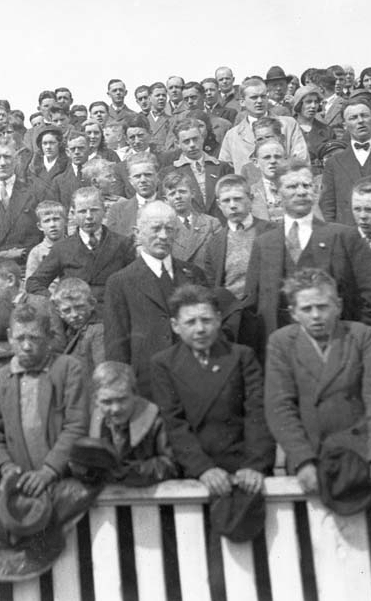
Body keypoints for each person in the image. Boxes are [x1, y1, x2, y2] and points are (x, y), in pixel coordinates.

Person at [264, 269, 371, 494]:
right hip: (311, 460)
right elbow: (279, 407)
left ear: (338, 306)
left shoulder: (361, 335)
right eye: (306, 309)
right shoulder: (281, 342)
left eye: (323, 306)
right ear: (293, 313)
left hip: (360, 458)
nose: (316, 315)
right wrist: (302, 460)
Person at [151, 285, 273, 496]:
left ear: (218, 319)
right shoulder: (163, 364)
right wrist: (203, 468)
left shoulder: (242, 356)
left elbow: (257, 414)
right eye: (190, 322)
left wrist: (254, 465)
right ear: (175, 326)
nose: (200, 329)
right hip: (193, 472)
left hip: (244, 470)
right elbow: (173, 423)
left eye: (206, 320)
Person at [244, 159, 371, 347]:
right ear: (277, 192)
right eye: (292, 186)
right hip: (280, 349)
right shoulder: (264, 243)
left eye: (306, 185)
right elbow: (252, 305)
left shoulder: (344, 236)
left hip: (338, 346)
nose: (301, 192)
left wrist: (355, 342)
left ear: (315, 191)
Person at [103, 200, 207, 398]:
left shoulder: (194, 274)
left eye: (170, 229)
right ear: (137, 232)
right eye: (156, 228)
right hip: (146, 386)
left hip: (194, 381)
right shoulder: (120, 282)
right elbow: (116, 346)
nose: (163, 236)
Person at [0, 302, 87, 494]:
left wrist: (50, 470)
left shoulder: (68, 369)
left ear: (49, 337)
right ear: (9, 337)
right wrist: (5, 466)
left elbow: (77, 425)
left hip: (65, 479)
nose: (26, 346)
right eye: (19, 338)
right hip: (20, 483)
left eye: (34, 338)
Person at [28, 187, 133, 304]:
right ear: (73, 214)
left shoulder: (122, 244)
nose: (89, 216)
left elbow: (136, 281)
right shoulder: (62, 248)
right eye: (82, 211)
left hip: (113, 313)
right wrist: (56, 300)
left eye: (94, 210)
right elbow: (34, 282)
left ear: (104, 211)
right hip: (75, 316)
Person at [85, 362, 176, 486]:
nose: (116, 409)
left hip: (151, 500)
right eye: (107, 402)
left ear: (135, 395)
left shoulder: (156, 421)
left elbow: (171, 465)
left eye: (122, 399)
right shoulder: (95, 422)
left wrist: (129, 471)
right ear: (96, 400)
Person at [218, 78, 308, 172]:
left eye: (263, 96)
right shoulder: (233, 135)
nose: (260, 101)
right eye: (254, 97)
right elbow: (225, 170)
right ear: (242, 102)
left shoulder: (288, 125)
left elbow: (301, 160)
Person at [320, 99, 371, 226]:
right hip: (348, 236)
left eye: (364, 115)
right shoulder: (334, 162)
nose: (360, 121)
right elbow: (328, 206)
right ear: (344, 125)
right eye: (353, 118)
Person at [162, 170, 222, 268]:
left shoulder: (212, 224)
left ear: (193, 193)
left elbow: (219, 259)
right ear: (166, 200)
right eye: (172, 194)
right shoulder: (163, 228)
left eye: (182, 191)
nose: (178, 197)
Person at [104, 152, 160, 236]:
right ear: (130, 181)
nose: (143, 180)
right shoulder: (118, 210)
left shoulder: (170, 205)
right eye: (137, 176)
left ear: (157, 177)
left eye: (148, 175)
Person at [23, 201, 65, 282]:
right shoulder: (36, 253)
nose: (52, 225)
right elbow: (31, 284)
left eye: (56, 219)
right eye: (47, 221)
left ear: (65, 221)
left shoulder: (75, 246)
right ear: (40, 226)